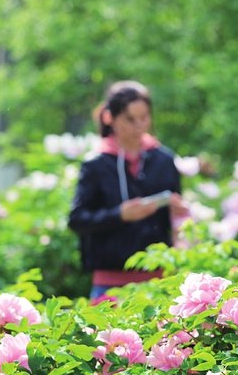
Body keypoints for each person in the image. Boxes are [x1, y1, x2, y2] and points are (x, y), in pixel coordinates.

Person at [68, 81, 189, 299]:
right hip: (109, 282)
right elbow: (77, 219)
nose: (139, 126)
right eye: (130, 119)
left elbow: (177, 220)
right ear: (109, 118)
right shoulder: (95, 164)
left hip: (158, 279)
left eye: (144, 118)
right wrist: (119, 214)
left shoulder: (163, 159)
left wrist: (179, 211)